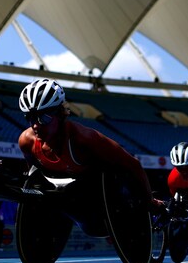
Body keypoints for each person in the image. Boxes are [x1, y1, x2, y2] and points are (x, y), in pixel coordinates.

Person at [17, 78, 160, 223]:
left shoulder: (83, 138)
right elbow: (34, 178)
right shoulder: (26, 142)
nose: (35, 125)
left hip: (100, 201)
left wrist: (149, 201)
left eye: (43, 118)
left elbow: (133, 164)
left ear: (60, 114)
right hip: (66, 202)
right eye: (30, 118)